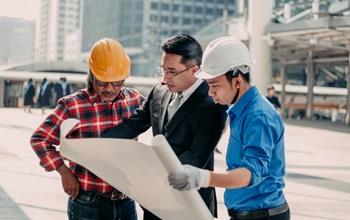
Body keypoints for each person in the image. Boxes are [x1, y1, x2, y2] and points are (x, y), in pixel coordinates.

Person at [102, 34, 227, 219]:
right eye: (163, 69)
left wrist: (147, 173)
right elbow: (132, 125)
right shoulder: (159, 91)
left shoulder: (213, 103)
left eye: (171, 71)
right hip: (155, 204)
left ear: (195, 70)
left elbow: (196, 157)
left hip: (189, 203)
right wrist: (97, 144)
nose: (165, 78)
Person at [168, 37, 290, 220]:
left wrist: (203, 177)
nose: (210, 93)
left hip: (262, 216)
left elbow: (249, 174)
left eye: (215, 85)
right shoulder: (242, 109)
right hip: (248, 213)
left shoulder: (258, 116)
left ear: (237, 81)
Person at [30, 38, 144, 220]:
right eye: (102, 82)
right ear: (92, 74)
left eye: (116, 83)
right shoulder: (72, 105)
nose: (109, 89)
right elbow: (40, 139)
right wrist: (64, 172)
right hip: (87, 202)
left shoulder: (135, 99)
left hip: (125, 201)